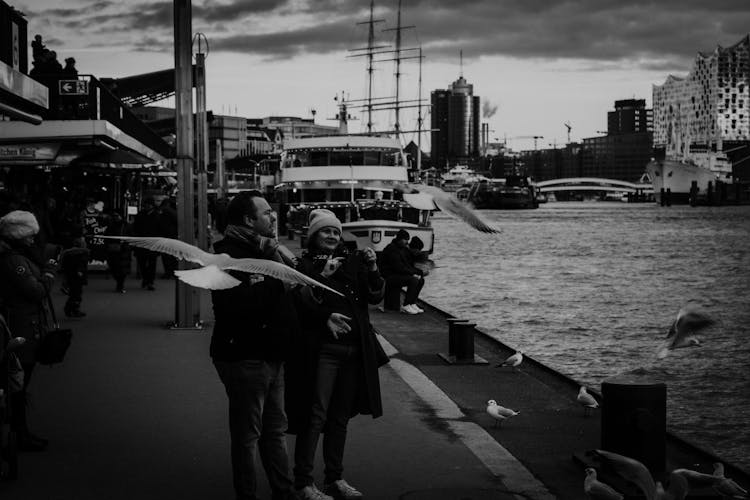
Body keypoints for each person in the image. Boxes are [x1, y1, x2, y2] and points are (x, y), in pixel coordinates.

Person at [287, 209, 387, 500]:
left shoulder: (353, 261)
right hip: (322, 351)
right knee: (315, 416)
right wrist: (322, 275)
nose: (331, 236)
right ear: (313, 235)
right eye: (324, 231)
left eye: (335, 231)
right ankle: (303, 482)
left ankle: (335, 479)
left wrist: (372, 269)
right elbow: (301, 305)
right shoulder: (303, 265)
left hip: (354, 351)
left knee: (340, 417)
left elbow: (376, 297)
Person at [210, 190, 298, 500]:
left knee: (275, 431)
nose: (273, 216)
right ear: (249, 220)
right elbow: (234, 307)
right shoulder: (228, 257)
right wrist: (278, 282)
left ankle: (283, 492)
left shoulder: (267, 251)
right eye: (266, 213)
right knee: (248, 435)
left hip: (271, 354)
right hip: (243, 356)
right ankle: (247, 495)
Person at [0, 210, 58, 451]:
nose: (33, 240)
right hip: (20, 327)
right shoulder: (14, 261)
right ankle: (18, 432)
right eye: (29, 236)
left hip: (22, 323)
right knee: (18, 381)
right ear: (18, 236)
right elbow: (34, 291)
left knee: (18, 381)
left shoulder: (14, 256)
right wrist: (48, 275)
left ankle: (19, 430)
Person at [378, 229, 425, 314]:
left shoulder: (400, 249)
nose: (407, 242)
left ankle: (412, 303)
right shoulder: (392, 249)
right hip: (389, 276)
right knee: (413, 280)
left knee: (421, 280)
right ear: (399, 239)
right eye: (405, 239)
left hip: (396, 274)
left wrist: (417, 272)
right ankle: (406, 305)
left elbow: (406, 265)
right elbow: (399, 267)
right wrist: (413, 274)